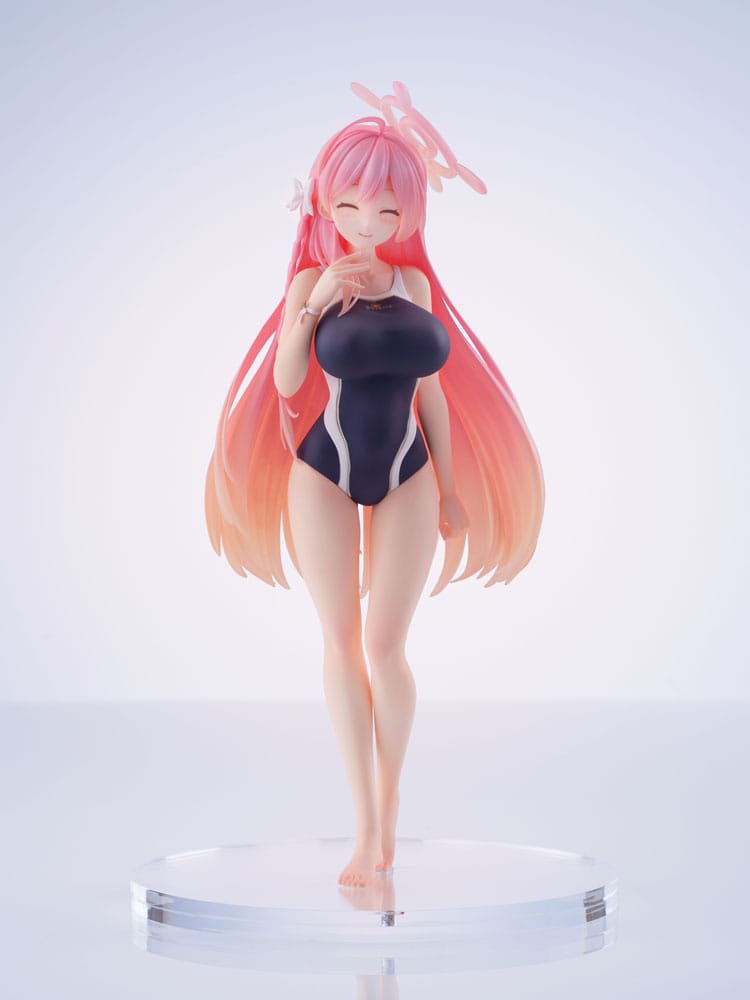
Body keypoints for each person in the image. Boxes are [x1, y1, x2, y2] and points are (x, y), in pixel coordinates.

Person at [205, 82, 545, 888]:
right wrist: (316, 302)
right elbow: (288, 383)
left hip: (409, 473)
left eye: (389, 211)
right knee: (340, 642)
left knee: (387, 648)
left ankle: (389, 811)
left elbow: (434, 398)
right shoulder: (311, 285)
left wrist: (452, 487)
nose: (368, 224)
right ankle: (365, 822)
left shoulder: (415, 289)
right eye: (353, 206)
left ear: (409, 216)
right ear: (326, 201)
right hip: (322, 472)